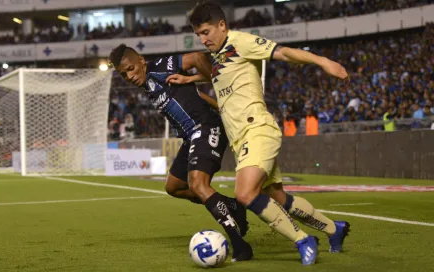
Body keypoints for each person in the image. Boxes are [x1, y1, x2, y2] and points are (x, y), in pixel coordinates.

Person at [165, 1, 350, 265]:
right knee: (277, 197)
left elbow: (283, 52)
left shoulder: (240, 41)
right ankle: (335, 229)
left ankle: (303, 240)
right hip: (242, 139)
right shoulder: (219, 56)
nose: (202, 39)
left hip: (257, 130)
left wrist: (323, 61)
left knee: (244, 193)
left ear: (221, 25)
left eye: (206, 32)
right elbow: (223, 77)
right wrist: (190, 80)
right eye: (198, 35)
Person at [108, 44, 252, 262]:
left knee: (197, 184)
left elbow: (196, 57)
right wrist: (220, 107)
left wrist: (214, 84)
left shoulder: (159, 68)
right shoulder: (149, 84)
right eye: (123, 74)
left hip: (205, 127)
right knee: (173, 187)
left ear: (140, 61)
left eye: (130, 68)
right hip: (191, 136)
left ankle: (240, 244)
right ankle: (232, 206)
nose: (129, 76)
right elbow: (195, 96)